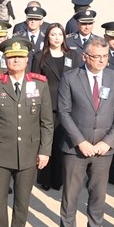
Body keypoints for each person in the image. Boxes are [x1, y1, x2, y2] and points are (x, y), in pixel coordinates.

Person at [0, 38, 52, 227]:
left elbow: (46, 122)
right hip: (0, 152)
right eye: (12, 57)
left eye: (20, 57)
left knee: (22, 198)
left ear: (27, 59)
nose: (16, 60)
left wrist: (44, 151)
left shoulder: (40, 84)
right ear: (5, 59)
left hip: (29, 152)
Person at [55, 36, 114, 227]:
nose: (102, 61)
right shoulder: (70, 78)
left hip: (104, 150)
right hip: (76, 148)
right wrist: (81, 142)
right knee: (71, 194)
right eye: (97, 57)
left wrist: (108, 142)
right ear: (85, 56)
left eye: (105, 57)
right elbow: (64, 112)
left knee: (98, 195)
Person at [33, 22, 73, 192]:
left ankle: (59, 178)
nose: (56, 38)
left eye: (59, 34)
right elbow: (34, 81)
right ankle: (44, 178)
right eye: (53, 34)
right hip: (47, 104)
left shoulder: (72, 56)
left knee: (62, 143)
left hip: (67, 105)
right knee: (46, 142)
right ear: (47, 37)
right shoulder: (39, 56)